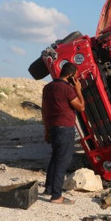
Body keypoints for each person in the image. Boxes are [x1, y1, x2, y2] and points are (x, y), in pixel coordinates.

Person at [41, 62, 85, 204]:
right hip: (65, 129)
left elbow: (44, 111)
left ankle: (49, 188)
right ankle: (56, 196)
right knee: (62, 161)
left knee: (55, 158)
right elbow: (81, 107)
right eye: (75, 77)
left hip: (53, 127)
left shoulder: (47, 88)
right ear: (71, 76)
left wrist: (46, 130)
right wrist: (78, 89)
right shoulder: (67, 89)